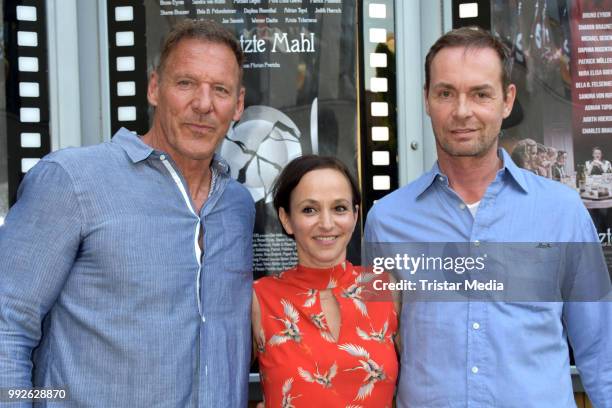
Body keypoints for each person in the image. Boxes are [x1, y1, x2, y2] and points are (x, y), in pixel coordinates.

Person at [0, 19, 255, 407]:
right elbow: (7, 326)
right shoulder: (72, 180)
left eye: (219, 89)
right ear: (155, 88)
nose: (203, 104)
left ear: (237, 105)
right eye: (185, 83)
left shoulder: (236, 205)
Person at [365, 26, 611, 407]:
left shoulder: (562, 212)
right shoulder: (387, 221)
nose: (462, 111)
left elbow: (601, 350)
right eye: (446, 93)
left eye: (480, 94)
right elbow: (373, 350)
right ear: (427, 100)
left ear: (507, 101)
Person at [252, 155, 398, 407]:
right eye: (310, 209)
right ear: (286, 218)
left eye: (339, 208)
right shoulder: (259, 298)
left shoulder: (385, 288)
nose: (327, 224)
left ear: (355, 215)